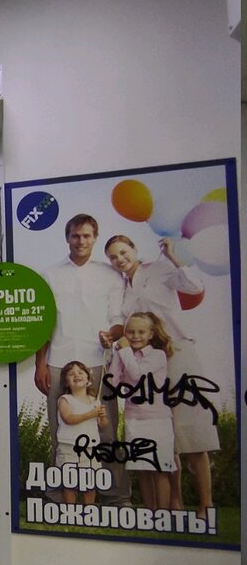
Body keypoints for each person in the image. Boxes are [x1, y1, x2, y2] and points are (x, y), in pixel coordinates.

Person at [102, 234, 217, 515]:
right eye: (113, 257)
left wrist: (174, 257)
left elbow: (194, 286)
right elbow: (127, 327)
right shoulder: (123, 288)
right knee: (165, 436)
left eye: (123, 252)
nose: (119, 259)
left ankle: (206, 504)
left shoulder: (159, 268)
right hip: (147, 361)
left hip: (176, 350)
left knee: (192, 430)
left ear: (134, 249)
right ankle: (174, 502)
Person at [34, 213, 129, 504]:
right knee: (59, 431)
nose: (81, 241)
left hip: (98, 361)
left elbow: (118, 320)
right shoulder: (50, 274)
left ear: (95, 238)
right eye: (75, 235)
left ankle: (114, 495)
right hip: (58, 361)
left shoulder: (110, 275)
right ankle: (59, 495)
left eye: (86, 235)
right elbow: (43, 323)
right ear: (67, 238)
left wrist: (111, 335)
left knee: (106, 430)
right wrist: (40, 364)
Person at [109, 312, 177, 510]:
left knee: (159, 469)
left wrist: (124, 351)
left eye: (141, 332)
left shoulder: (158, 355)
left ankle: (162, 515)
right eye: (130, 332)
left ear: (151, 334)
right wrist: (118, 354)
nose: (135, 336)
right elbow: (113, 382)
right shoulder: (125, 354)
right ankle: (150, 513)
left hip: (158, 420)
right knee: (143, 470)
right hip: (134, 419)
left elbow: (137, 374)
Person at [55, 361, 107, 505]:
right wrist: (91, 414)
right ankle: (70, 511)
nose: (76, 375)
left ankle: (89, 510)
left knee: (90, 484)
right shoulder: (65, 400)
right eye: (71, 374)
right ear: (66, 382)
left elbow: (103, 425)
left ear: (88, 379)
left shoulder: (94, 401)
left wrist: (102, 416)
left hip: (91, 449)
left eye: (80, 372)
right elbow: (68, 419)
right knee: (69, 483)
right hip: (69, 448)